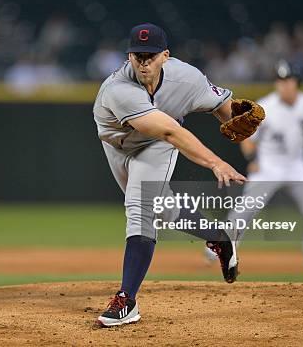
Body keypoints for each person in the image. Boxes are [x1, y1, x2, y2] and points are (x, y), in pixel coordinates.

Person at [92, 23, 264, 327]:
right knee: (163, 209)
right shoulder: (118, 89)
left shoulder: (187, 77)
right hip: (119, 146)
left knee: (140, 209)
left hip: (156, 145)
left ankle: (126, 300)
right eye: (138, 55)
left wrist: (232, 119)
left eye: (151, 55)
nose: (144, 62)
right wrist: (215, 162)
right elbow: (172, 129)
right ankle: (220, 238)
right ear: (128, 56)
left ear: (165, 56)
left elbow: (220, 103)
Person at [219, 60, 303, 272]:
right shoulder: (265, 107)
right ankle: (220, 248)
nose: (284, 85)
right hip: (268, 166)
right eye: (280, 81)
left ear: (296, 82)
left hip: (297, 166)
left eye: (288, 80)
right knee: (245, 210)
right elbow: (247, 138)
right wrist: (253, 160)